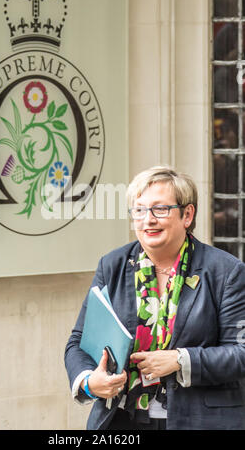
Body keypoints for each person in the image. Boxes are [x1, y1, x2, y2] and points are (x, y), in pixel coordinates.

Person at [64, 166, 245, 430]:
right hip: (122, 421)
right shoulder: (112, 265)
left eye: (160, 209)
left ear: (187, 214)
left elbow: (240, 353)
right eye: (139, 210)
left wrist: (181, 360)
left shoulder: (226, 271)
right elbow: (78, 342)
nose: (148, 219)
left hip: (199, 421)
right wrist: (89, 381)